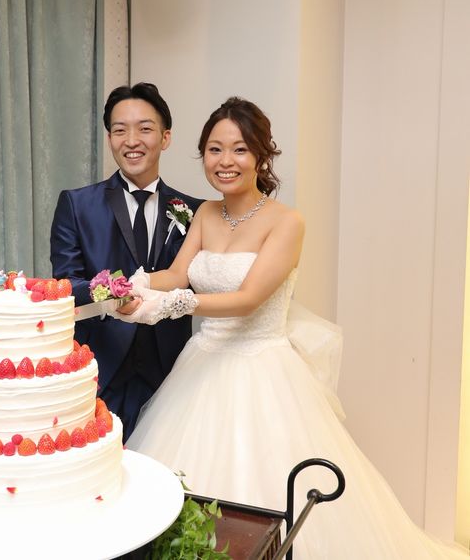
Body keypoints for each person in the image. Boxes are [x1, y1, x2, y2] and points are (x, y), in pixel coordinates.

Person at [113, 97, 468, 558]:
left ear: (262, 156)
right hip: (201, 365)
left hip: (262, 369)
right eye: (215, 150)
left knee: (266, 493)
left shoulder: (286, 222)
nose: (225, 161)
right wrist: (133, 285)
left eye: (239, 149)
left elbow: (248, 299)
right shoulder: (205, 214)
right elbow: (178, 274)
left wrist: (170, 306)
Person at [50, 82, 202, 441]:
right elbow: (66, 283)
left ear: (165, 137)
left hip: (170, 374)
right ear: (109, 139)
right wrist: (112, 292)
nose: (132, 140)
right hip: (101, 370)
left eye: (145, 128)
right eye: (120, 130)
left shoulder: (193, 210)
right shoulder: (77, 204)